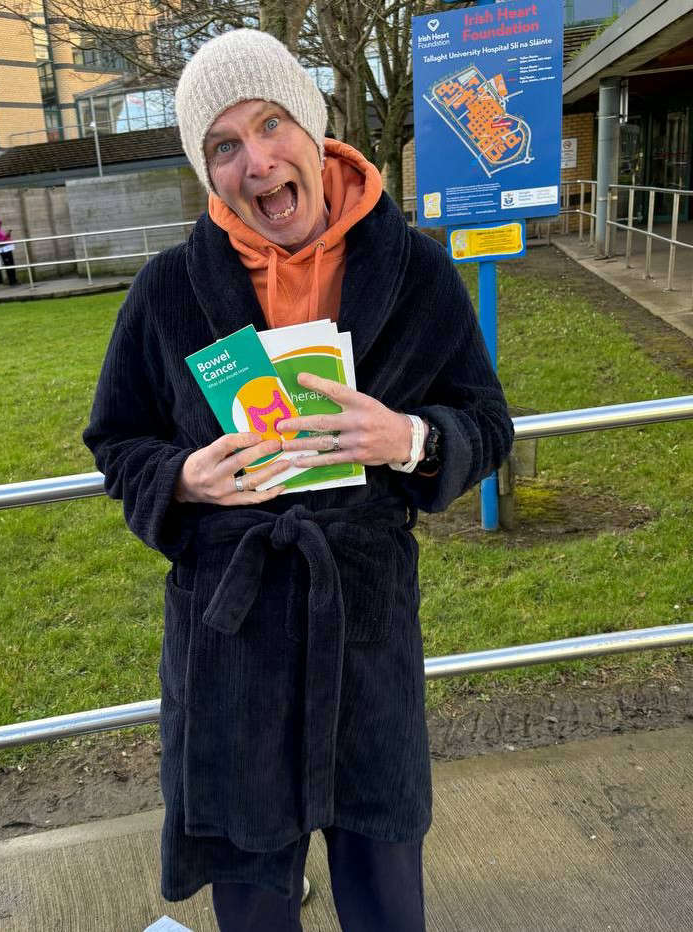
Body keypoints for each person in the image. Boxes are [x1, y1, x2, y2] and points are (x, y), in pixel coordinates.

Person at [84, 28, 513, 932]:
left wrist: (409, 438)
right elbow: (117, 439)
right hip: (231, 635)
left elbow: (486, 425)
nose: (257, 162)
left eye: (271, 123)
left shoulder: (417, 272)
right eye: (223, 146)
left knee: (383, 879)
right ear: (207, 173)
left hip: (363, 619)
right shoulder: (168, 290)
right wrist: (181, 478)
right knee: (251, 894)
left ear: (313, 129)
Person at [0, 217, 17, 286]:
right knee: (8, 265)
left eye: (0, 224)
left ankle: (14, 280)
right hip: (4, 251)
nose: (0, 225)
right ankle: (12, 281)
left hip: (7, 249)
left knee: (12, 264)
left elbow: (5, 238)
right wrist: (6, 236)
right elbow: (0, 242)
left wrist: (8, 235)